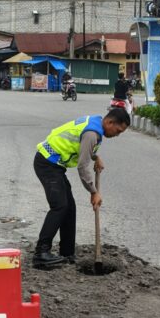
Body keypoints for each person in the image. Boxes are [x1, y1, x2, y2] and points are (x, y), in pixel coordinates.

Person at [32, 108, 131, 268]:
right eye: (118, 131)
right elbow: (82, 167)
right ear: (110, 122)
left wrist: (96, 157)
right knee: (59, 206)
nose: (117, 135)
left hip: (55, 165)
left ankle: (67, 253)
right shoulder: (93, 133)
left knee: (69, 208)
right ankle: (41, 253)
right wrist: (94, 192)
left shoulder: (96, 123)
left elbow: (82, 146)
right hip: (47, 163)